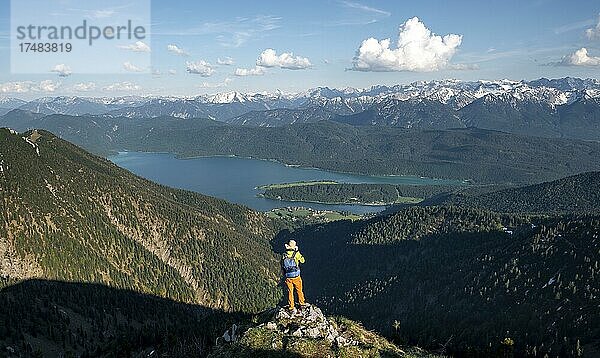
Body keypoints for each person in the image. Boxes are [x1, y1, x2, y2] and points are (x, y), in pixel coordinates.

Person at [282, 240, 306, 312]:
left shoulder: (284, 255)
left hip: (288, 276)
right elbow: (303, 261)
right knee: (299, 290)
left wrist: (284, 274)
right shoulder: (296, 254)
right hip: (296, 276)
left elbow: (282, 265)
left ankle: (291, 306)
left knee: (290, 291)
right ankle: (301, 304)